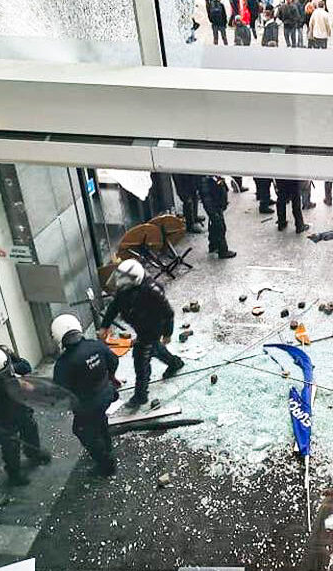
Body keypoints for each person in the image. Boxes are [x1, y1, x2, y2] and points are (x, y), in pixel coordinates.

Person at [99, 259, 182, 409]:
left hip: (151, 328)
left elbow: (168, 313)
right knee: (155, 349)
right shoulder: (126, 287)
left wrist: (167, 333)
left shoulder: (152, 291)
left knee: (141, 360)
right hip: (140, 325)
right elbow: (114, 305)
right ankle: (175, 363)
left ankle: (140, 395)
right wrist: (105, 326)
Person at [0, 346, 51, 486]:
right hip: (0, 416)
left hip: (17, 406)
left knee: (30, 428)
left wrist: (15, 360)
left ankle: (34, 454)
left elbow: (25, 367)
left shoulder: (1, 358)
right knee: (11, 445)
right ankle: (14, 474)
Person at [51, 314, 119, 477]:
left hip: (87, 405)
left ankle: (106, 464)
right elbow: (114, 361)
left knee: (82, 430)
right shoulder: (96, 345)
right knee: (100, 418)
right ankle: (107, 445)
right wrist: (109, 377)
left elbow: (60, 390)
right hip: (107, 394)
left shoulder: (63, 363)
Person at [199, 175, 237, 257]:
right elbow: (207, 197)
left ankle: (213, 245)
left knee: (214, 224)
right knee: (220, 226)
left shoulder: (213, 177)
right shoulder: (207, 180)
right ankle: (223, 250)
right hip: (213, 205)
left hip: (216, 204)